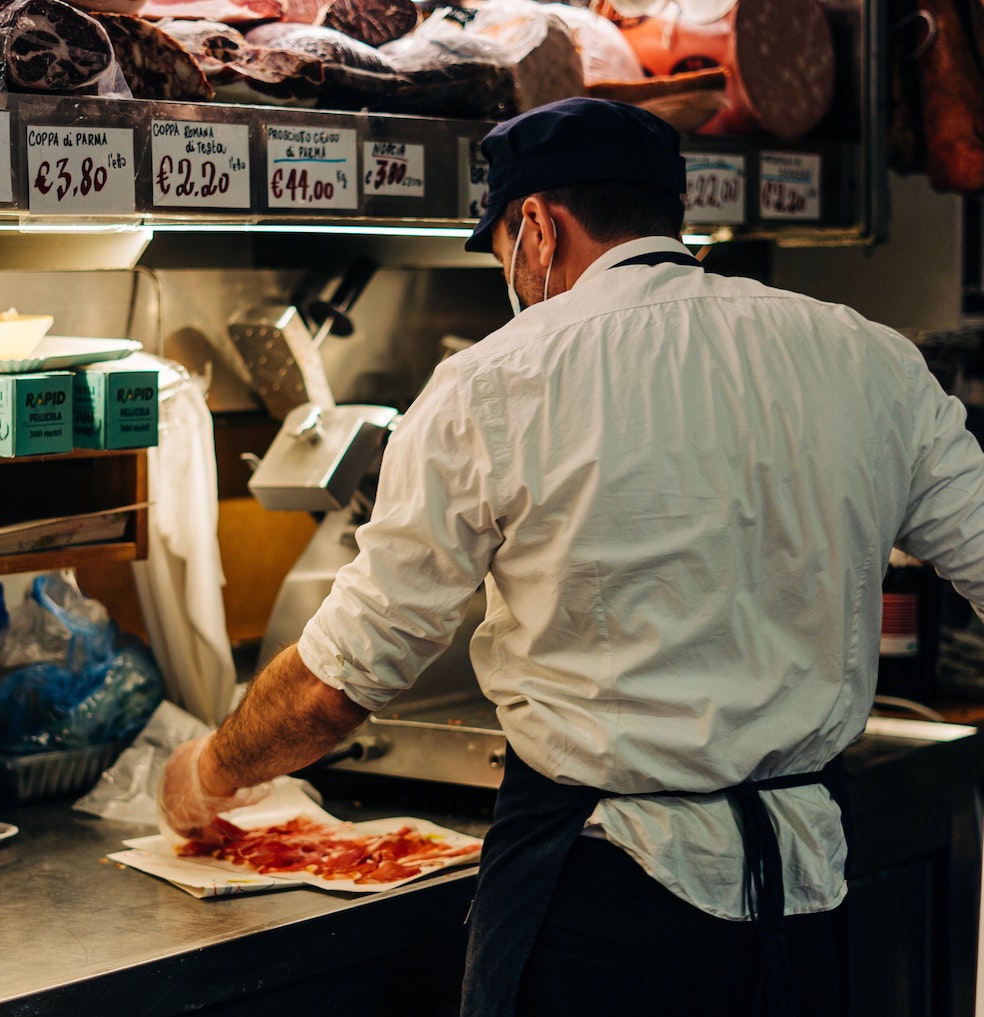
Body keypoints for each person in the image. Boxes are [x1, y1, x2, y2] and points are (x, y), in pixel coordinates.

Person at [159, 97, 984, 1017]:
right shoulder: (867, 357)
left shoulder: (494, 383)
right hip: (802, 891)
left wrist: (212, 768)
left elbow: (337, 685)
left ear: (540, 229)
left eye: (506, 242)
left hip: (597, 900)